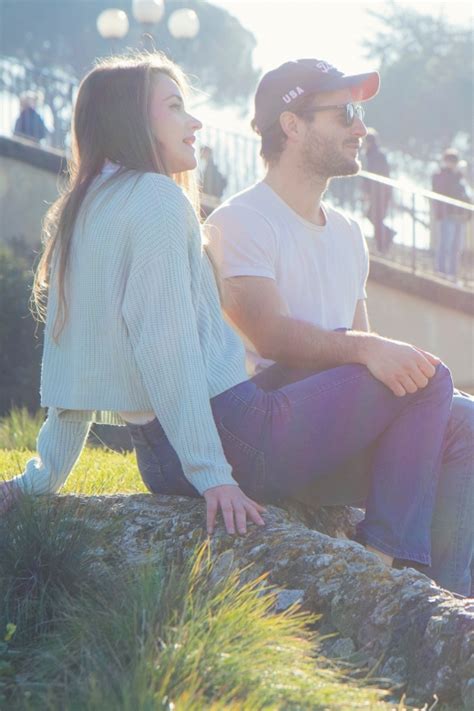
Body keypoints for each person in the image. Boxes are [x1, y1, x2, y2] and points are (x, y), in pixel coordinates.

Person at [0, 54, 455, 577]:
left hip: (159, 458)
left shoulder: (84, 208)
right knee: (429, 380)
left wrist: (41, 477)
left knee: (435, 403)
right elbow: (164, 351)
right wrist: (213, 475)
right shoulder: (156, 200)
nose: (195, 123)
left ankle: (426, 573)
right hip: (231, 437)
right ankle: (388, 568)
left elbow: (71, 368)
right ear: (132, 119)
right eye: (175, 108)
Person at [206, 58, 473, 596]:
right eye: (346, 113)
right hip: (267, 428)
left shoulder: (350, 233)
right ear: (292, 125)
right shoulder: (239, 219)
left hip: (333, 429)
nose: (361, 128)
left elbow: (370, 357)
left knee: (465, 422)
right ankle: (380, 571)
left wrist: (374, 354)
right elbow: (269, 336)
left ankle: (447, 598)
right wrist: (369, 351)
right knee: (428, 378)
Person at [432, 148, 471, 279]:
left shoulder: (460, 178)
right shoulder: (441, 175)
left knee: (456, 247)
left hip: (459, 217)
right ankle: (441, 270)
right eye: (449, 161)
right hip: (447, 215)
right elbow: (442, 190)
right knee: (445, 244)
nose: (452, 164)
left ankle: (453, 273)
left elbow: (466, 196)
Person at [363, 129, 395, 254]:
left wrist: (369, 190)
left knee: (375, 217)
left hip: (380, 192)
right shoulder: (372, 154)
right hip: (378, 192)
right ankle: (385, 239)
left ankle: (382, 243)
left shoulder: (375, 155)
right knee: (374, 217)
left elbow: (375, 174)